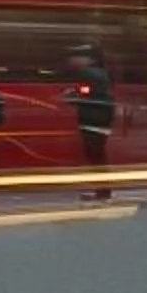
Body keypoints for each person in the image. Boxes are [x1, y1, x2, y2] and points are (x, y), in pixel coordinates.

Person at [64, 43, 116, 195]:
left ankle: (102, 191)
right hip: (102, 119)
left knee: (95, 156)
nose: (72, 60)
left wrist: (72, 95)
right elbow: (89, 90)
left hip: (93, 120)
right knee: (97, 156)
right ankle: (102, 190)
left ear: (87, 58)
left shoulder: (88, 72)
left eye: (76, 57)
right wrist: (77, 92)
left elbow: (87, 92)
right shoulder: (100, 72)